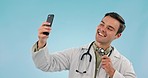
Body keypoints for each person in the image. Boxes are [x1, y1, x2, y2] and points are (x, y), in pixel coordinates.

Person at [32, 12, 136, 78]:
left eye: (109, 28)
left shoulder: (123, 63)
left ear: (117, 36)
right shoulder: (75, 54)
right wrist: (42, 41)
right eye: (102, 24)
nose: (102, 29)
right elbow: (46, 64)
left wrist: (113, 73)